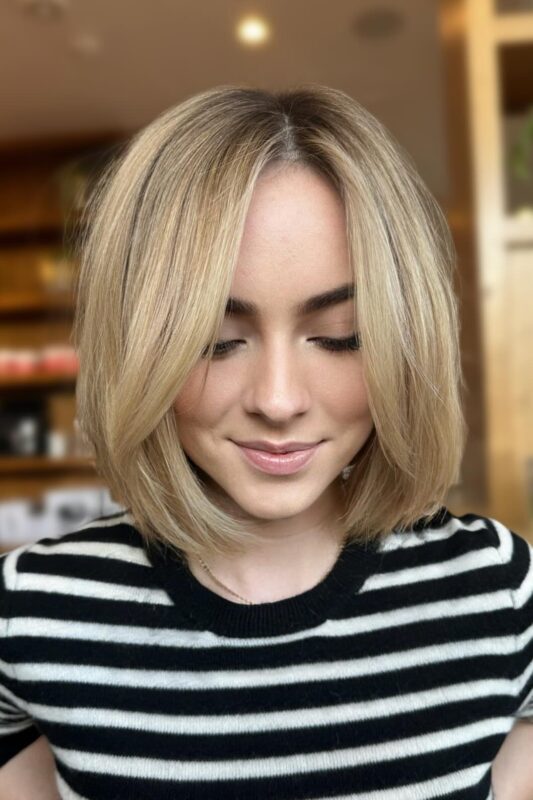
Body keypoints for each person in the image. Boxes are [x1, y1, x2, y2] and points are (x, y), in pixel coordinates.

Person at [0, 84, 532, 800]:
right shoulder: (34, 608)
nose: (278, 400)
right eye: (215, 343)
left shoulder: (492, 586)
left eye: (341, 337)